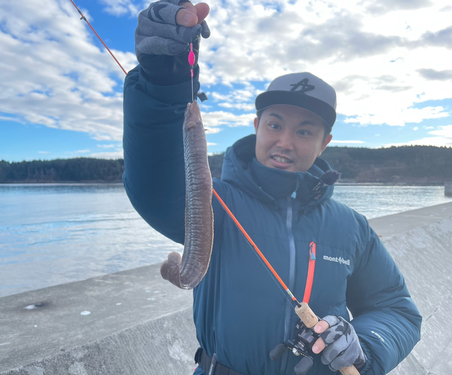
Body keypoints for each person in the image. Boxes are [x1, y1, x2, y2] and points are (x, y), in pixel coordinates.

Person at [123, 1, 422, 374]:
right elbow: (153, 185)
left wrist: (364, 346)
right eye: (275, 125)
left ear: (324, 142)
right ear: (256, 125)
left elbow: (395, 308)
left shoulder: (352, 228)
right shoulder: (214, 203)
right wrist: (161, 82)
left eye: (304, 131)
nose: (285, 142)